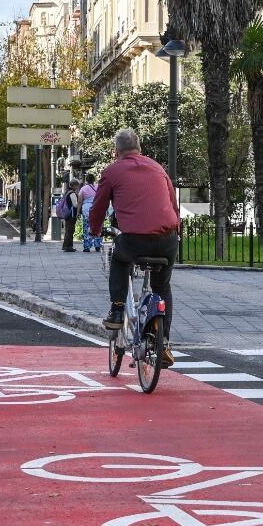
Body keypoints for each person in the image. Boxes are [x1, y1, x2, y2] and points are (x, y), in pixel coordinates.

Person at [88, 129, 179, 361]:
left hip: (135, 240)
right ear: (140, 149)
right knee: (163, 287)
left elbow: (98, 208)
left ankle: (117, 309)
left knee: (119, 258)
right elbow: (172, 203)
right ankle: (164, 343)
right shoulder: (158, 168)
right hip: (167, 240)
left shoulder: (111, 171)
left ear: (116, 152)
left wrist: (94, 230)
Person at [78, 172, 101, 252]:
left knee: (87, 227)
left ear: (86, 180)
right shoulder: (99, 187)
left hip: (87, 210)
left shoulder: (83, 189)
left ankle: (87, 247)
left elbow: (80, 201)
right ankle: (98, 245)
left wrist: (78, 212)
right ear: (94, 179)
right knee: (98, 227)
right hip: (98, 209)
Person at [57, 179, 80, 252]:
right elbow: (75, 205)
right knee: (70, 230)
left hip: (67, 214)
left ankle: (65, 245)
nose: (78, 187)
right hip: (71, 214)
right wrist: (80, 202)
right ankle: (68, 246)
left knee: (68, 230)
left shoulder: (67, 192)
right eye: (77, 185)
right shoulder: (72, 193)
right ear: (74, 185)